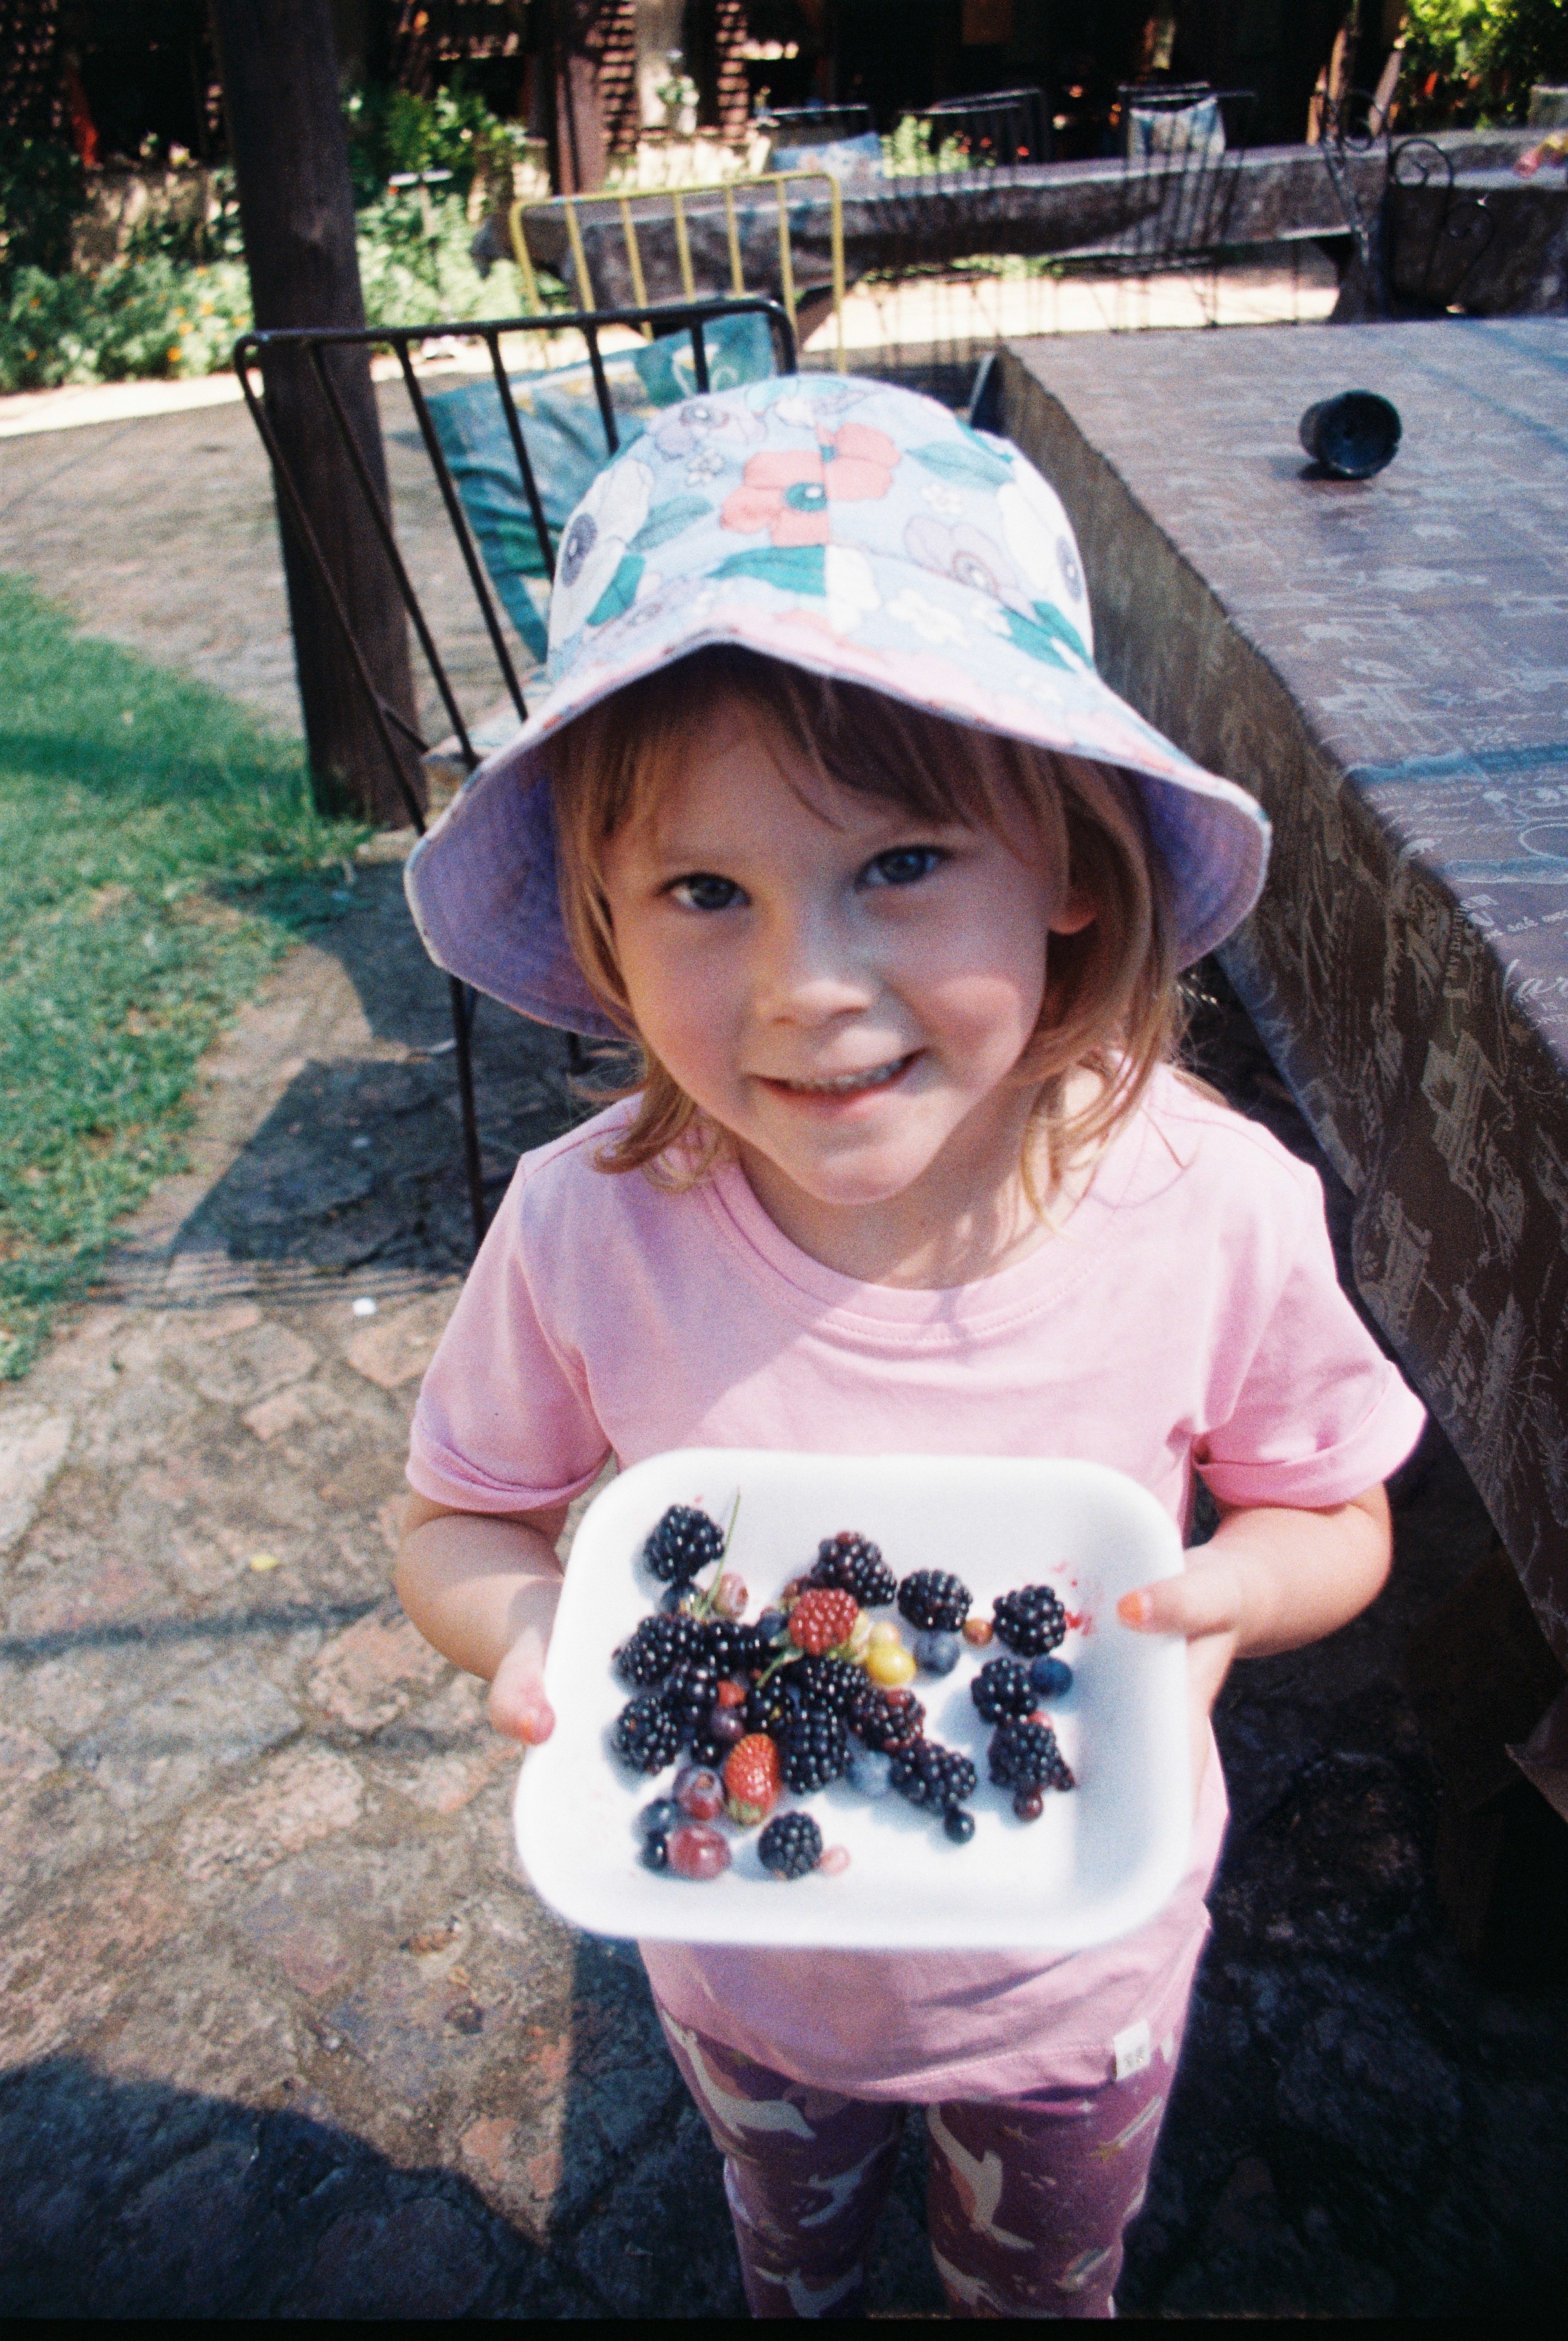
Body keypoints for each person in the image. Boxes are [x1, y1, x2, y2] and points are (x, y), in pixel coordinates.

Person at [394, 374, 1424, 2317]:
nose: (805, 984)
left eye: (898, 864)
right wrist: (527, 1629)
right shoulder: (585, 1225)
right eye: (704, 891)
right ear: (606, 932)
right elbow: (459, 1517)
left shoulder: (1208, 1205)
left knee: (1039, 2284)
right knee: (786, 2248)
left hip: (1070, 1988)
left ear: (1066, 865)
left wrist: (1227, 1597)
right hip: (740, 1968)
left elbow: (1331, 1508)